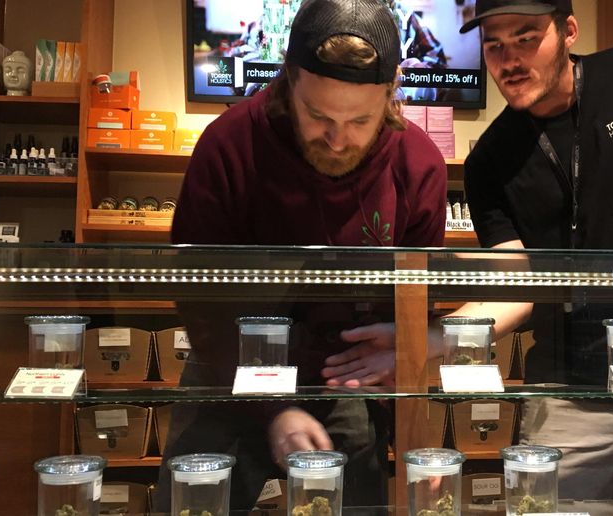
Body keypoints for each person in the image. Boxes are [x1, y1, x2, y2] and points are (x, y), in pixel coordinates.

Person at [325, 0, 613, 505]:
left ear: (570, 32)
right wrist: (422, 338)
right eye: (494, 45)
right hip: (565, 395)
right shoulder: (489, 160)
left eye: (526, 38)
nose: (509, 59)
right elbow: (516, 288)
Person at [156, 0, 448, 510]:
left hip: (343, 375)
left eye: (360, 120)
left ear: (391, 93)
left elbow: (414, 302)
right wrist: (272, 409)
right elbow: (199, 296)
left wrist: (402, 364)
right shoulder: (229, 144)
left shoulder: (418, 163)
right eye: (318, 116)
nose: (337, 140)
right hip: (228, 366)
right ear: (288, 80)